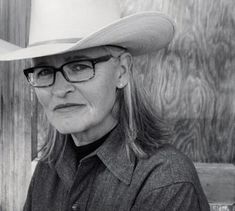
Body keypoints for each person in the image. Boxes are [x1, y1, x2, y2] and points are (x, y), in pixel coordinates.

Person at [0, 0, 210, 210]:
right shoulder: (48, 169)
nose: (59, 89)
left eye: (79, 66)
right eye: (44, 71)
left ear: (122, 71)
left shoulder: (166, 183)